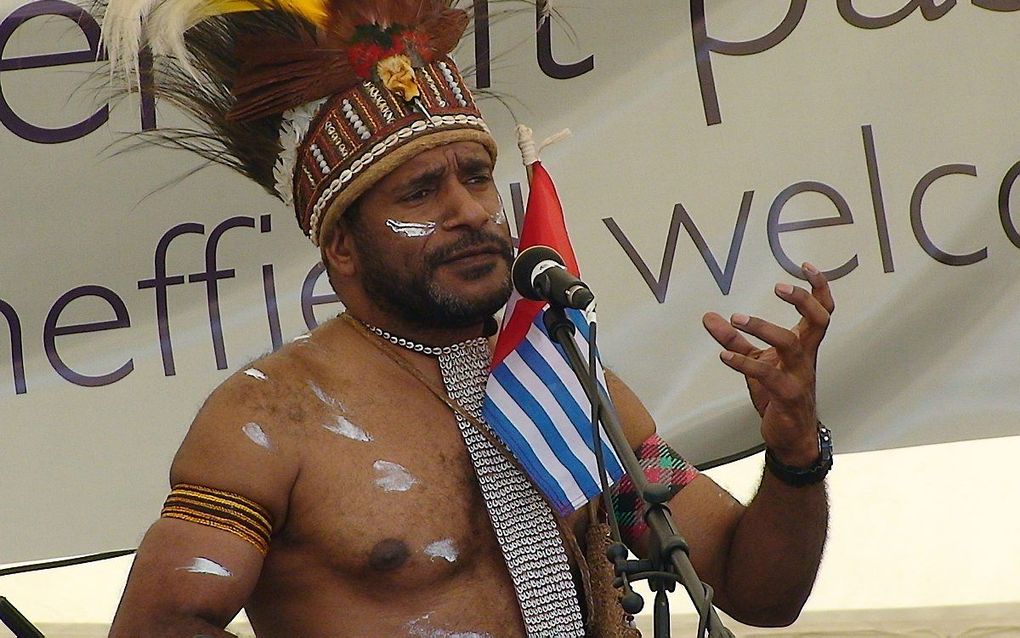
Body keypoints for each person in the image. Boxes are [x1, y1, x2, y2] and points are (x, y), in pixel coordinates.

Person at [103, 2, 834, 636]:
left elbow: (758, 591)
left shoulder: (563, 382)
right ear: (341, 246)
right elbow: (157, 627)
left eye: (477, 176)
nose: (472, 212)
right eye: (422, 192)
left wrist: (796, 453)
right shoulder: (269, 417)